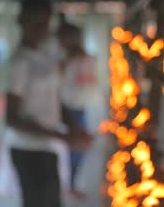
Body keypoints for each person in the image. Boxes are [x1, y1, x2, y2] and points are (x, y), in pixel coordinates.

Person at [6, 0, 92, 207]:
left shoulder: (43, 56)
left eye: (44, 23)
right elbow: (12, 119)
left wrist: (72, 127)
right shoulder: (19, 62)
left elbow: (54, 98)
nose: (41, 29)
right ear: (21, 22)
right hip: (28, 150)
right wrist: (62, 136)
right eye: (35, 23)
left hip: (46, 147)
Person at [57, 16, 96, 198]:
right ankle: (68, 185)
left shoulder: (80, 58)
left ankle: (70, 183)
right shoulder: (60, 58)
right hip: (66, 108)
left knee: (78, 148)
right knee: (73, 148)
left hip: (77, 106)